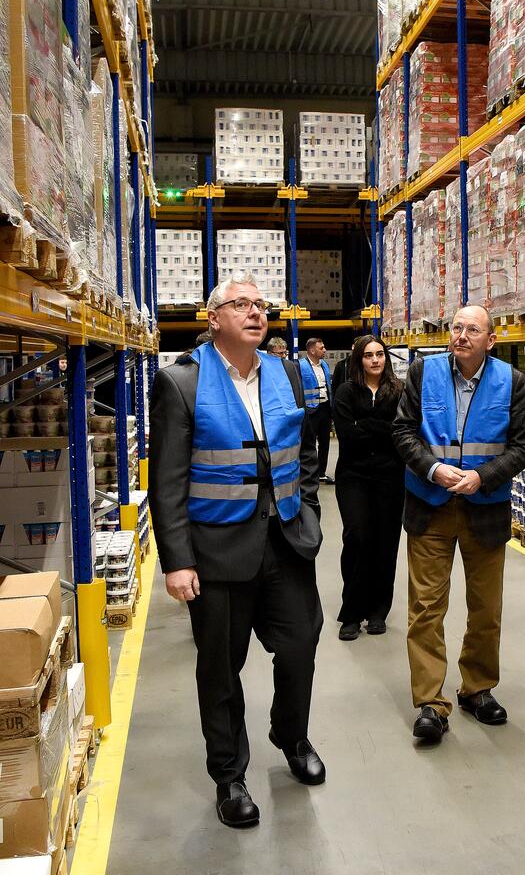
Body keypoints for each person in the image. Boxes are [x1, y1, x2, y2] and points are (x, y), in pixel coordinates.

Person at [149, 272, 326, 829]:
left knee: (299, 645)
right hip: (217, 550)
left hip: (285, 539)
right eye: (241, 304)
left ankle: (290, 736)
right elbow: (168, 480)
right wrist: (177, 560)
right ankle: (229, 775)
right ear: (214, 318)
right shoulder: (181, 382)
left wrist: (309, 507)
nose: (255, 312)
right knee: (221, 669)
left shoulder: (286, 373)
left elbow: (306, 450)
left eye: (261, 304)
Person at [393, 305, 525, 744]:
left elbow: (524, 445)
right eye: (456, 327)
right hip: (430, 504)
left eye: (472, 329)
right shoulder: (423, 372)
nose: (461, 335)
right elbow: (402, 432)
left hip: (485, 507)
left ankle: (477, 688)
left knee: (486, 607)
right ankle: (430, 703)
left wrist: (483, 477)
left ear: (490, 340)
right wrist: (433, 469)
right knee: (426, 607)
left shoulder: (512, 381)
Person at [332, 335, 405, 641]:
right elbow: (346, 433)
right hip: (353, 475)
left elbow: (403, 433)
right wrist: (382, 428)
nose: (375, 360)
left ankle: (378, 611)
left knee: (386, 542)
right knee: (358, 536)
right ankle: (351, 612)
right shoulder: (346, 391)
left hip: (390, 476)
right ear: (358, 360)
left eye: (379, 354)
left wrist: (366, 425)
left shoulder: (398, 391)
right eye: (368, 355)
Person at [299, 337, 334, 484]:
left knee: (325, 443)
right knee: (309, 443)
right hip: (310, 410)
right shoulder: (300, 366)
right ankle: (309, 473)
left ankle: (321, 473)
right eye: (321, 348)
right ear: (312, 350)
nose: (324, 350)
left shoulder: (324, 364)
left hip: (325, 408)